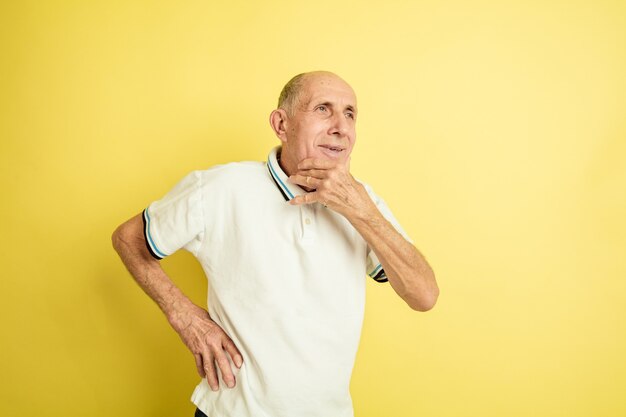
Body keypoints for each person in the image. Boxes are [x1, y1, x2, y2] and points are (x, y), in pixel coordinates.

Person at [112, 70, 439, 417]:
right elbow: (128, 239)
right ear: (282, 124)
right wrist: (186, 317)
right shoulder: (223, 188)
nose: (341, 127)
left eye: (350, 114)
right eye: (323, 109)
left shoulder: (363, 202)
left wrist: (361, 212)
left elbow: (424, 295)